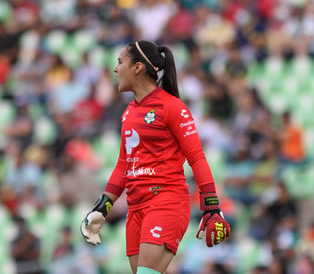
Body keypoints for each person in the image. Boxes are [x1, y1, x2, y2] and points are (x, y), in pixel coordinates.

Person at [81, 40, 231, 274]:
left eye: (120, 62)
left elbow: (197, 157)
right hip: (136, 208)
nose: (115, 69)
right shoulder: (129, 111)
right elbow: (123, 164)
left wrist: (211, 205)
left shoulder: (173, 107)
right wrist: (103, 206)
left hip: (166, 202)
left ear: (138, 68)